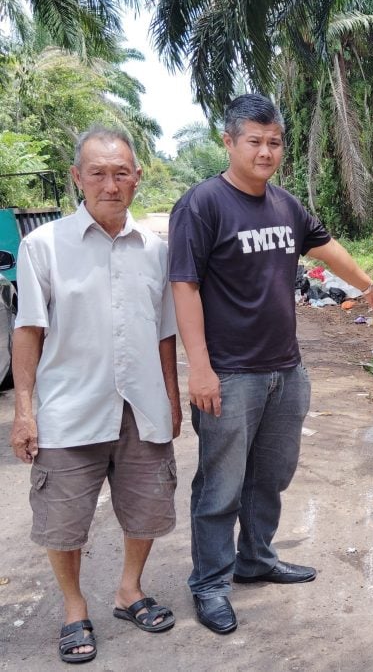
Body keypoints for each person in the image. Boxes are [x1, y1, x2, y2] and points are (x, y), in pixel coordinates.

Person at [168, 93, 373, 635]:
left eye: (274, 142)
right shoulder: (202, 205)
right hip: (230, 372)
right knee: (220, 485)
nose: (266, 152)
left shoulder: (285, 206)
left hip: (285, 370)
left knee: (270, 476)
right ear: (228, 141)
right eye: (255, 141)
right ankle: (211, 582)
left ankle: (256, 558)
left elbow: (325, 246)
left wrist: (368, 286)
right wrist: (198, 367)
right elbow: (184, 286)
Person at [10, 127, 181, 664]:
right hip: (69, 408)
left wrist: (172, 400)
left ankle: (129, 591)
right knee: (62, 518)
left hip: (142, 406)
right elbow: (28, 331)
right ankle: (73, 607)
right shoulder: (44, 246)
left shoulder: (158, 251)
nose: (111, 184)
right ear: (77, 178)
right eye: (99, 173)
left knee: (147, 509)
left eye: (122, 173)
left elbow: (164, 334)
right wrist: (23, 411)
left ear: (137, 178)